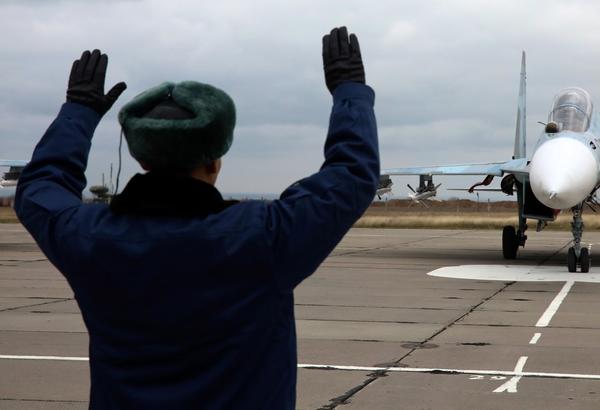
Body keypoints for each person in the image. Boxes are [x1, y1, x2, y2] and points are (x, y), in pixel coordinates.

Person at [14, 27, 380, 409]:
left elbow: (39, 187)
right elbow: (351, 175)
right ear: (214, 161)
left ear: (141, 159)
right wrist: (349, 91)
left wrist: (79, 111)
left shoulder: (88, 237)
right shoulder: (264, 237)